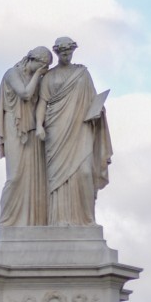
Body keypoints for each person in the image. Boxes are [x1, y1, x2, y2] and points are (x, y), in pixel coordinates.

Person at [38, 36, 112, 226]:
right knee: (58, 177)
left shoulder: (82, 74)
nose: (66, 55)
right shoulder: (49, 77)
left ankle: (87, 220)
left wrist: (98, 111)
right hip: (57, 128)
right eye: (63, 52)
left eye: (69, 52)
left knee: (84, 172)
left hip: (81, 127)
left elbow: (93, 99)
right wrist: (39, 125)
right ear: (56, 53)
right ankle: (59, 219)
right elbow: (42, 103)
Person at [0, 46, 52, 228]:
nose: (45, 71)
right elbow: (25, 94)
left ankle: (30, 222)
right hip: (15, 125)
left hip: (32, 128)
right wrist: (38, 75)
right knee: (15, 176)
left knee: (33, 177)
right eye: (44, 66)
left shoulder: (39, 79)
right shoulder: (12, 73)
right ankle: (6, 222)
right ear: (32, 60)